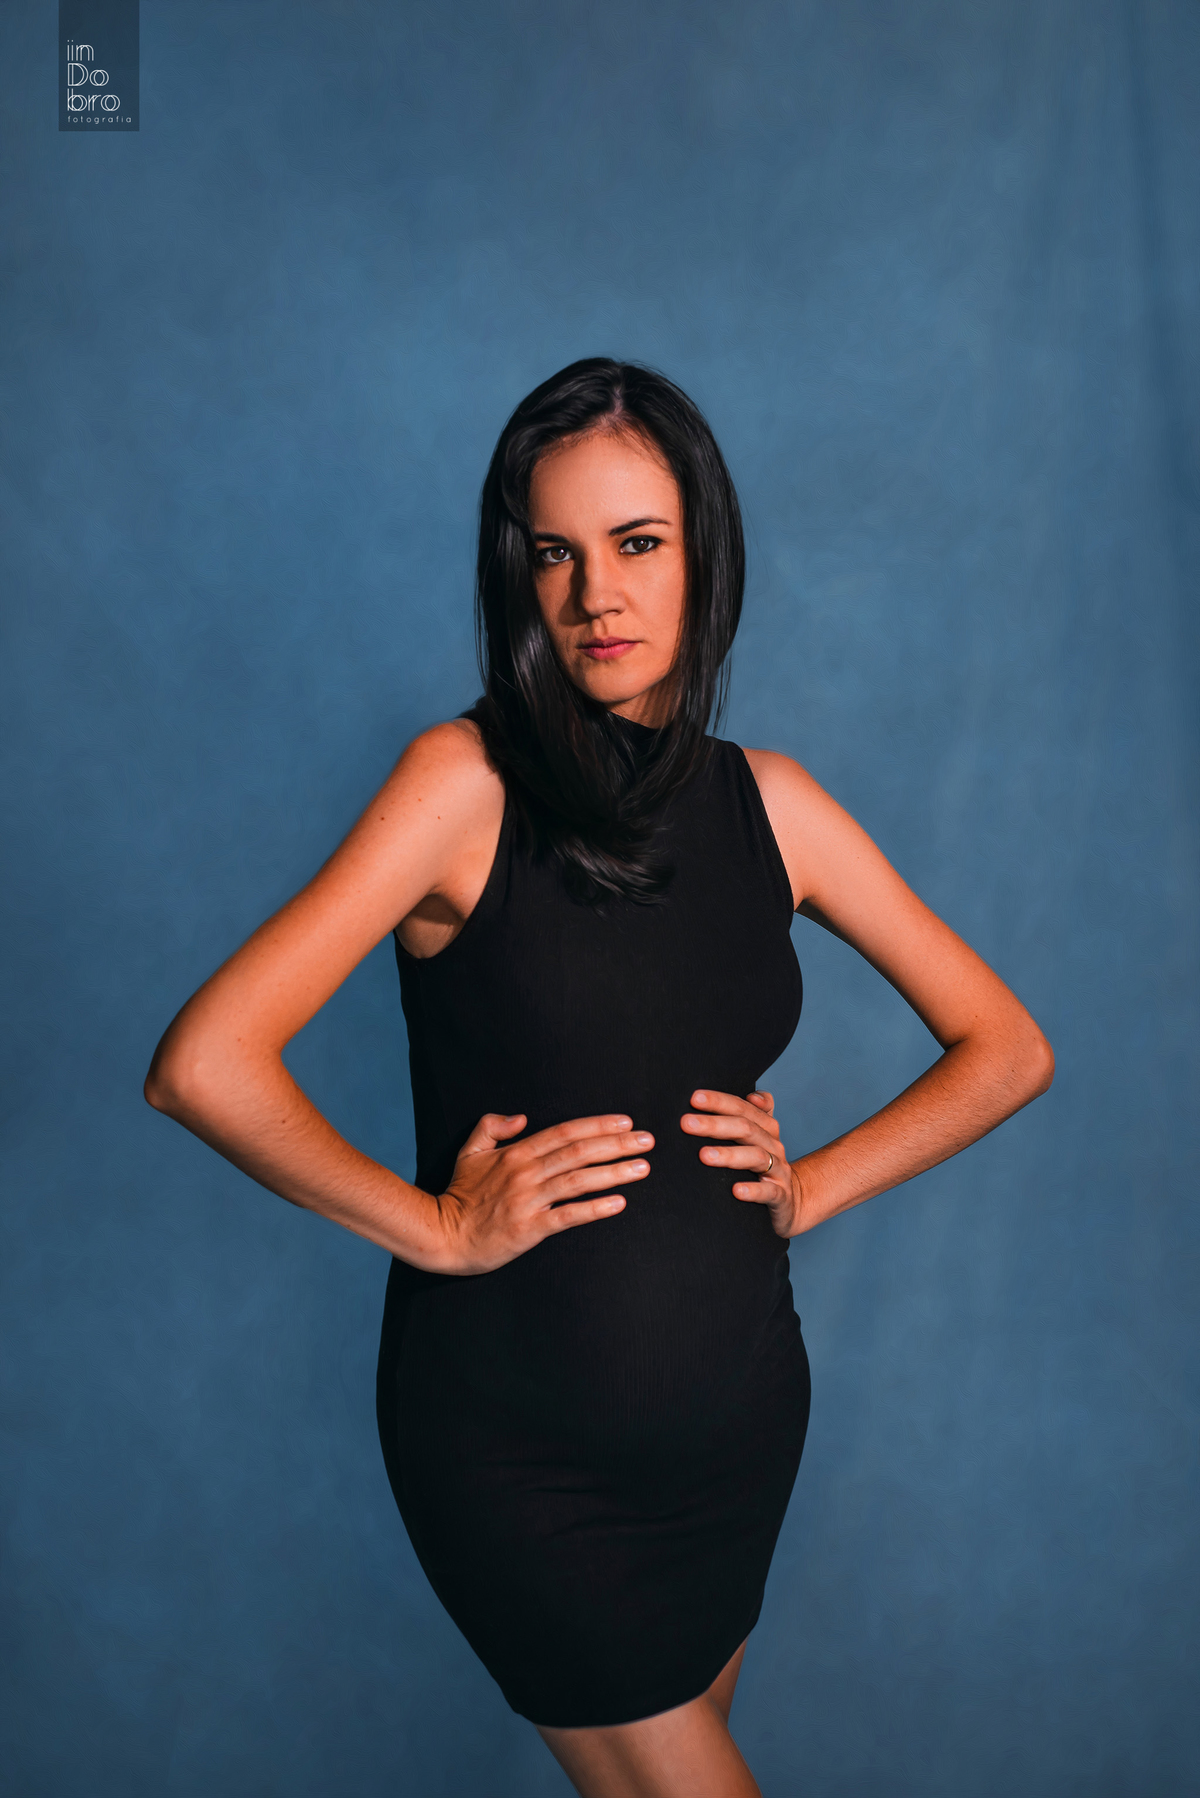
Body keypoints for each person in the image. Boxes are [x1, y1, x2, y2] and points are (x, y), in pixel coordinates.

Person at [145, 358, 1054, 1798]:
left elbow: (1008, 1047)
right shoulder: (460, 786)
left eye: (636, 543)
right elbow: (204, 1064)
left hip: (735, 1443)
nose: (595, 596)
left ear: (704, 553)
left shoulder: (776, 807)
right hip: (521, 1460)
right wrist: (435, 1225)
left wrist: (813, 1187)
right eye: (555, 553)